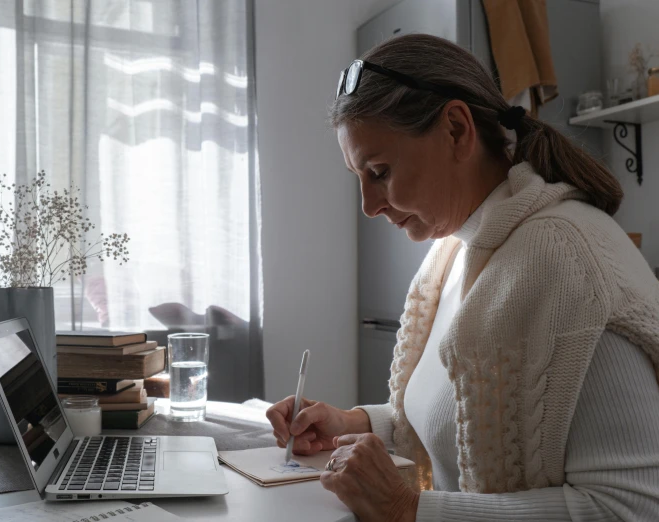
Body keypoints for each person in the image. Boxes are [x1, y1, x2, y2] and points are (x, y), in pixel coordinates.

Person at [267, 34, 659, 522]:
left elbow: (632, 508)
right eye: (360, 178)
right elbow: (465, 421)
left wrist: (407, 509)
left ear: (456, 129)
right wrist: (355, 422)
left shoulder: (570, 262)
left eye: (380, 171)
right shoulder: (456, 252)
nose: (369, 206)